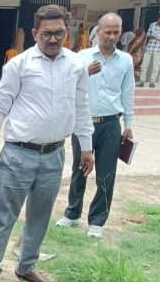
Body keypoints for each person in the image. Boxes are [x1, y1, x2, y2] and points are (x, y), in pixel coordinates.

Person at [0, 4, 94, 282]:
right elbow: (0, 106)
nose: (53, 40)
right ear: (34, 33)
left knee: (40, 215)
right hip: (18, 154)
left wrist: (87, 147)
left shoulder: (76, 65)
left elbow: (81, 107)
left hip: (54, 154)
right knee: (4, 215)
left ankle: (26, 265)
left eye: (59, 33)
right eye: (46, 34)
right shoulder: (19, 64)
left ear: (67, 32)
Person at [56, 13, 134, 239]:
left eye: (116, 32)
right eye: (107, 32)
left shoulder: (125, 60)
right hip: (84, 123)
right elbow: (68, 86)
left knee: (106, 174)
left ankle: (97, 220)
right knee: (79, 170)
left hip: (111, 123)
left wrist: (128, 124)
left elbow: (128, 94)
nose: (111, 36)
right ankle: (72, 213)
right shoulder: (82, 57)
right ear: (97, 31)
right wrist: (85, 72)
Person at [138, 11, 160, 88]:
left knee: (155, 67)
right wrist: (150, 36)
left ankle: (152, 82)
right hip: (149, 48)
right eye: (159, 20)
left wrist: (157, 38)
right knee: (144, 65)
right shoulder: (152, 24)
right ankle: (141, 81)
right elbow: (147, 35)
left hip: (158, 50)